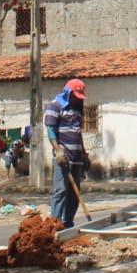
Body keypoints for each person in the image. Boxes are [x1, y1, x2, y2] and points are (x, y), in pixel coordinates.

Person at [44, 78, 88, 228]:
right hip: (63, 157)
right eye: (75, 95)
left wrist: (84, 154)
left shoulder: (77, 109)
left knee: (74, 193)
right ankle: (55, 223)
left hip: (77, 158)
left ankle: (68, 222)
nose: (77, 99)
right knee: (61, 190)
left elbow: (78, 133)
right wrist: (58, 151)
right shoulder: (54, 106)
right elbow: (50, 131)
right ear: (68, 93)